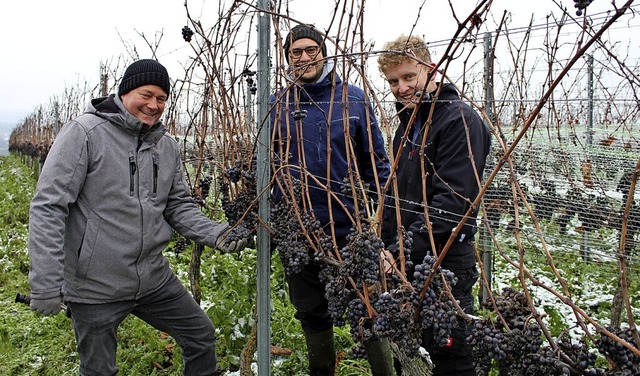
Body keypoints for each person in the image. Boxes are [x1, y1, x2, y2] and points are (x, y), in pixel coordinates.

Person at [27, 59, 246, 375]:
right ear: (125, 91)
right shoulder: (85, 134)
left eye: (161, 99)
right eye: (147, 94)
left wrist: (216, 234)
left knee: (200, 335)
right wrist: (46, 282)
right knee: (99, 370)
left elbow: (178, 206)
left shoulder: (165, 145)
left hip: (152, 280)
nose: (154, 105)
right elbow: (49, 207)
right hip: (95, 287)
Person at [270, 24, 393, 375]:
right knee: (311, 312)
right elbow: (267, 167)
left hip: (347, 231)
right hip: (297, 231)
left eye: (311, 50)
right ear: (287, 59)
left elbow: (376, 165)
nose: (304, 58)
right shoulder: (277, 104)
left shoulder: (352, 99)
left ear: (323, 53)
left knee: (369, 309)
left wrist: (381, 230)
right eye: (296, 53)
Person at [378, 35, 491, 376]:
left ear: (431, 69)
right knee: (413, 349)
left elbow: (453, 204)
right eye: (393, 82)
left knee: (451, 356)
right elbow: (398, 197)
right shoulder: (408, 126)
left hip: (444, 261)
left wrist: (398, 249)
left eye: (409, 77)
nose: (401, 88)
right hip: (409, 256)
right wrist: (385, 246)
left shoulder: (459, 121)